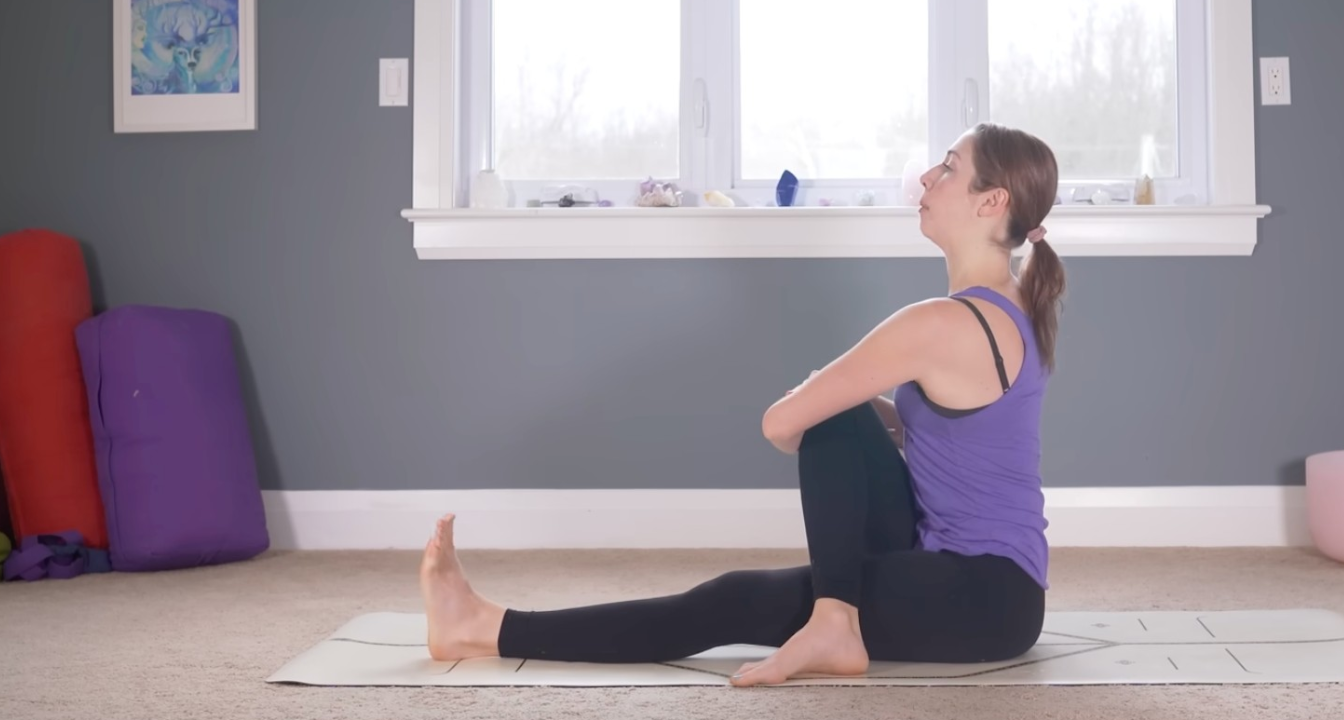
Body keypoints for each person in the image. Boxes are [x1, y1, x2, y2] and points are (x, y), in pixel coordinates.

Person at [418, 123, 1067, 686]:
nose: (928, 175)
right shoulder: (1014, 303)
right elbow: (969, 440)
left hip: (978, 598)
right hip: (989, 585)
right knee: (839, 421)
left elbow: (781, 424)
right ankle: (833, 614)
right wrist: (870, 410)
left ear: (992, 202)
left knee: (736, 595)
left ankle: (482, 628)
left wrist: (825, 400)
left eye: (949, 167)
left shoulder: (937, 324)